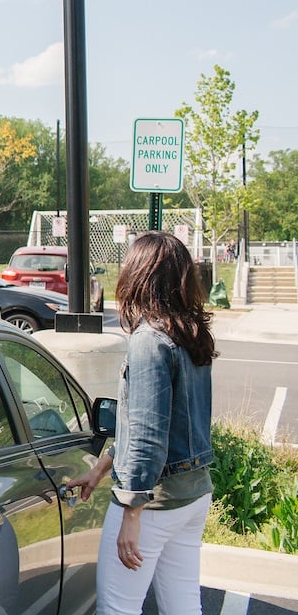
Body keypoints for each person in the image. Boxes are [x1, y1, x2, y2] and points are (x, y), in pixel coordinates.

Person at [68, 231, 216, 615]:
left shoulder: (150, 340)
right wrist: (101, 469)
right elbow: (151, 423)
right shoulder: (190, 335)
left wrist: (132, 509)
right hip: (194, 493)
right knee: (184, 606)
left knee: (118, 609)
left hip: (154, 503)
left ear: (138, 276)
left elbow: (149, 437)